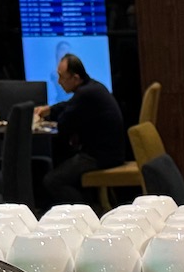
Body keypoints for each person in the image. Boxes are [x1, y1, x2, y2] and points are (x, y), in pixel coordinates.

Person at [36, 53, 128, 208]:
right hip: (110, 152)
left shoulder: (85, 94)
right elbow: (69, 106)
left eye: (62, 77)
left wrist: (49, 119)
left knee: (52, 180)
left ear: (75, 78)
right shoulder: (92, 87)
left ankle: (87, 211)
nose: (58, 82)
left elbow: (65, 122)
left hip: (102, 156)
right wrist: (49, 110)